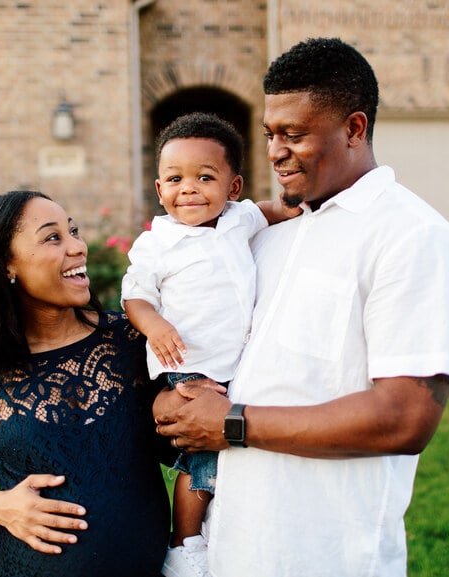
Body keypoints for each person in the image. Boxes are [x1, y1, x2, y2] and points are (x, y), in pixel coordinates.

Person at [152, 37, 449, 577]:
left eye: (294, 134)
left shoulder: (411, 237)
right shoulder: (269, 236)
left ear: (354, 128)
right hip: (232, 545)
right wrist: (174, 399)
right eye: (270, 134)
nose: (276, 150)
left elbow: (405, 418)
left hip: (326, 554)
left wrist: (230, 424)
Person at [0, 190, 172, 577]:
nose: (78, 247)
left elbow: (176, 443)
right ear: (5, 265)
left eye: (73, 231)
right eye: (53, 237)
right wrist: (2, 507)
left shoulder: (130, 341)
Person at [121, 112, 301, 577]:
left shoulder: (240, 218)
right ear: (160, 190)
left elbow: (273, 209)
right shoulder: (156, 243)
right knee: (202, 459)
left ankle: (219, 528)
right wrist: (155, 326)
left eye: (205, 177)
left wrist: (303, 207)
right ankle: (184, 544)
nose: (190, 189)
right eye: (175, 179)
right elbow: (135, 296)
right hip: (190, 364)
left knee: (227, 453)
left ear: (233, 186)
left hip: (237, 366)